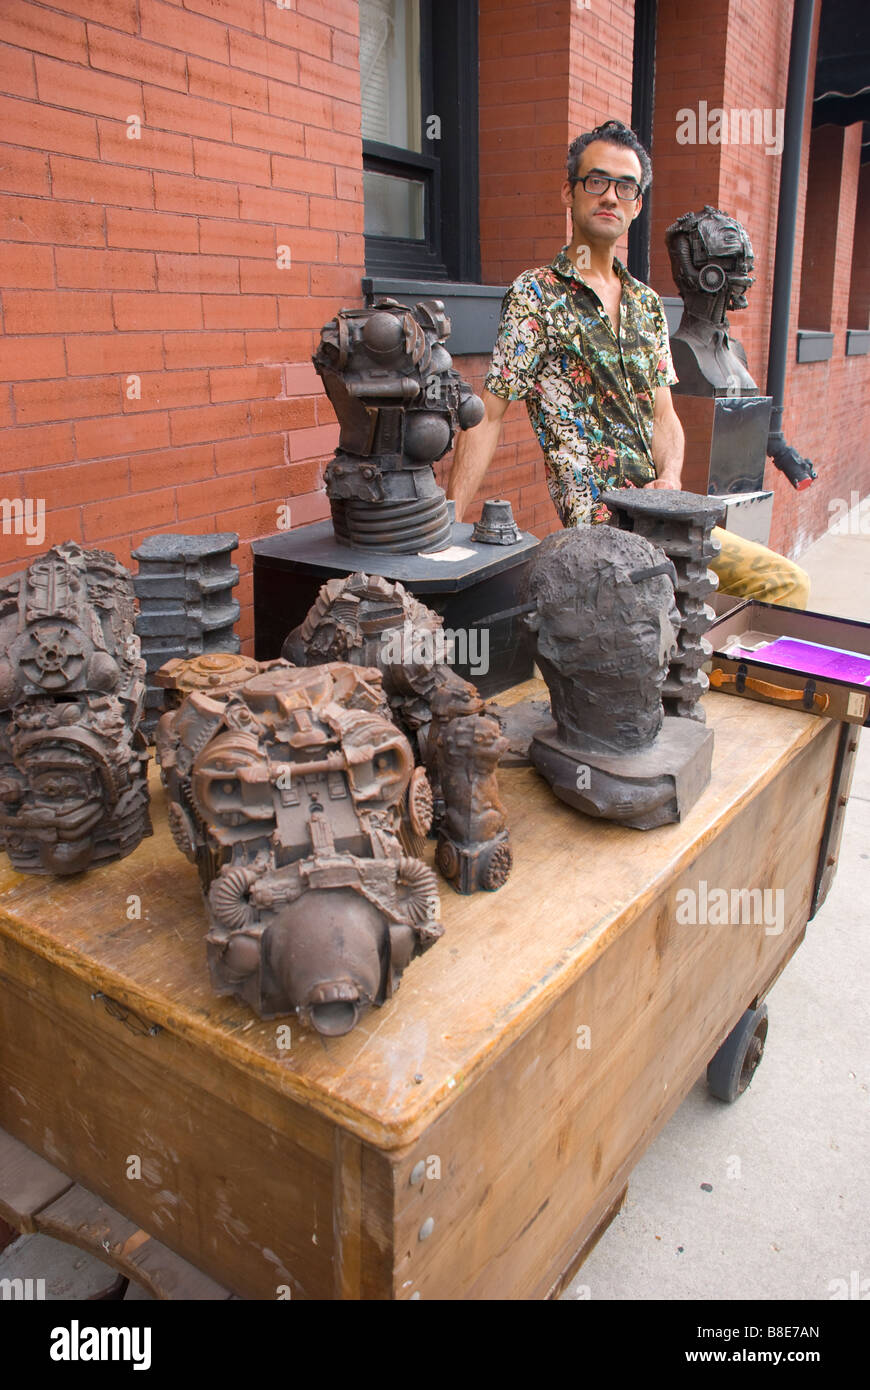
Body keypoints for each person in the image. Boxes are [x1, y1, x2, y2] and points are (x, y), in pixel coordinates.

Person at [447, 119, 809, 607]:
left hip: (662, 513)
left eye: (625, 186)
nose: (610, 196)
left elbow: (664, 416)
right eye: (596, 181)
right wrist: (447, 526)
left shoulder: (647, 304)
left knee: (782, 584)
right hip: (605, 530)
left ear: (637, 205)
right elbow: (488, 415)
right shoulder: (536, 295)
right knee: (673, 619)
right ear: (569, 194)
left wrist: (672, 476)